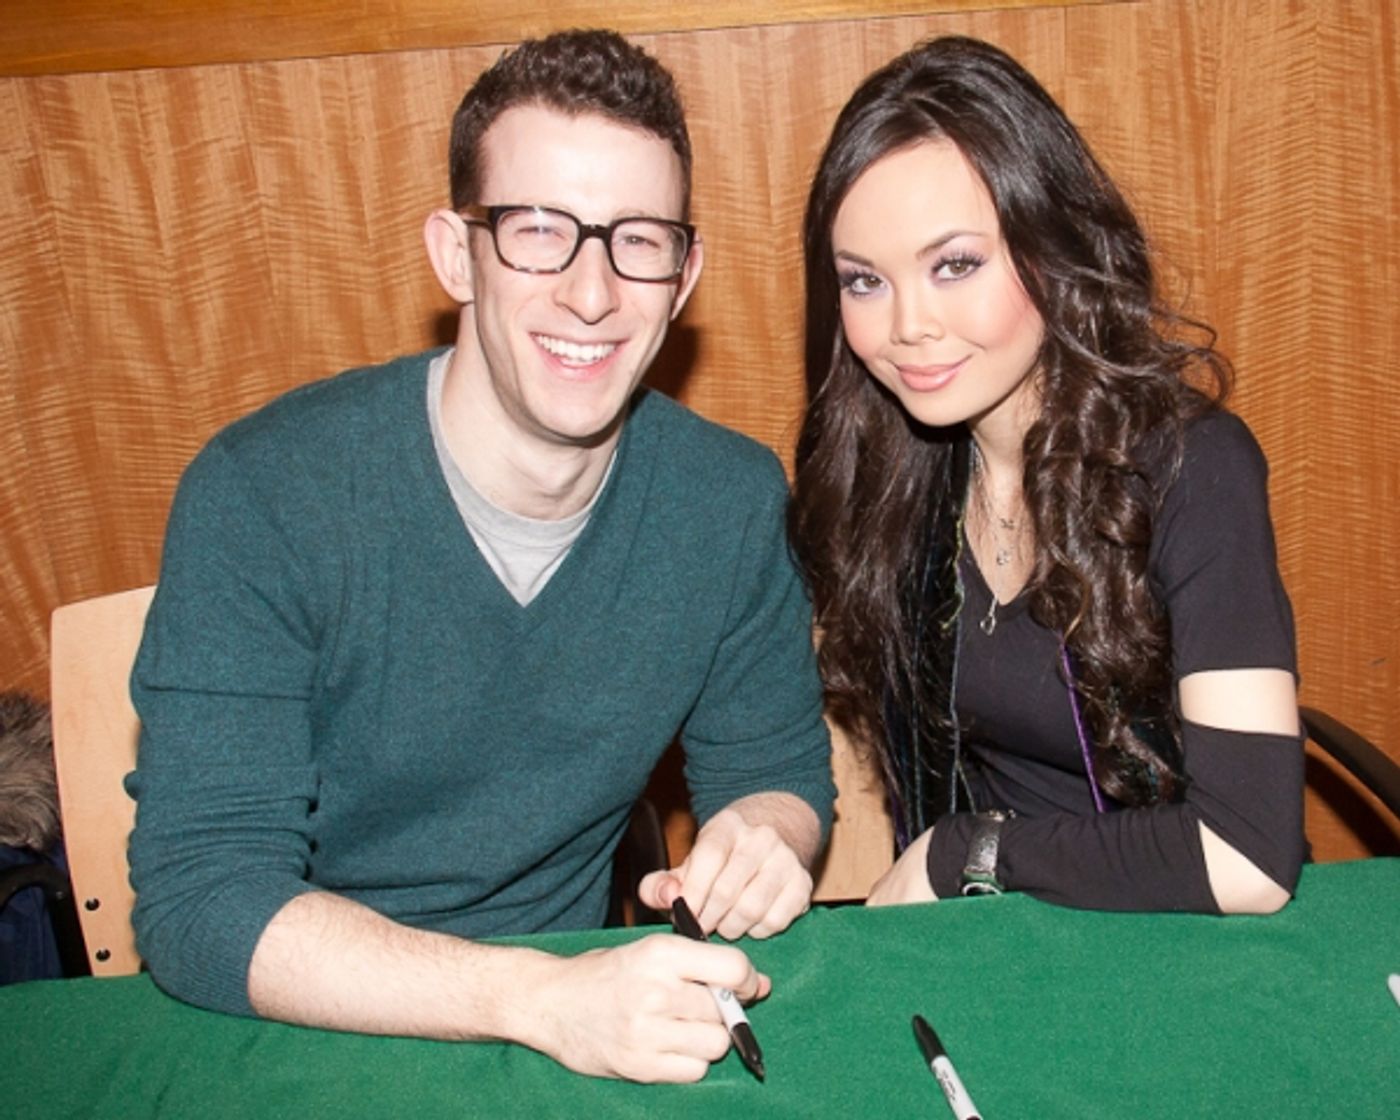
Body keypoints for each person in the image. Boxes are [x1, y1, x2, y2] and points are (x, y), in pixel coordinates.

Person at [126, 29, 834, 1083]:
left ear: (684, 275)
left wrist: (762, 837)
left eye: (636, 240)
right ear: (455, 253)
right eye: (538, 231)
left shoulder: (726, 500)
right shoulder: (263, 493)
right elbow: (200, 899)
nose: (591, 294)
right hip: (299, 1019)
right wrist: (534, 998)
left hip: (573, 1011)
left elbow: (776, 777)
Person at [789, 36, 1303, 915]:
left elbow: (1250, 856)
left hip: (1173, 939)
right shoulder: (893, 477)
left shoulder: (1194, 468)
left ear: (1052, 245)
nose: (909, 326)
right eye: (865, 281)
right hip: (990, 949)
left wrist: (971, 851)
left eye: (956, 264)